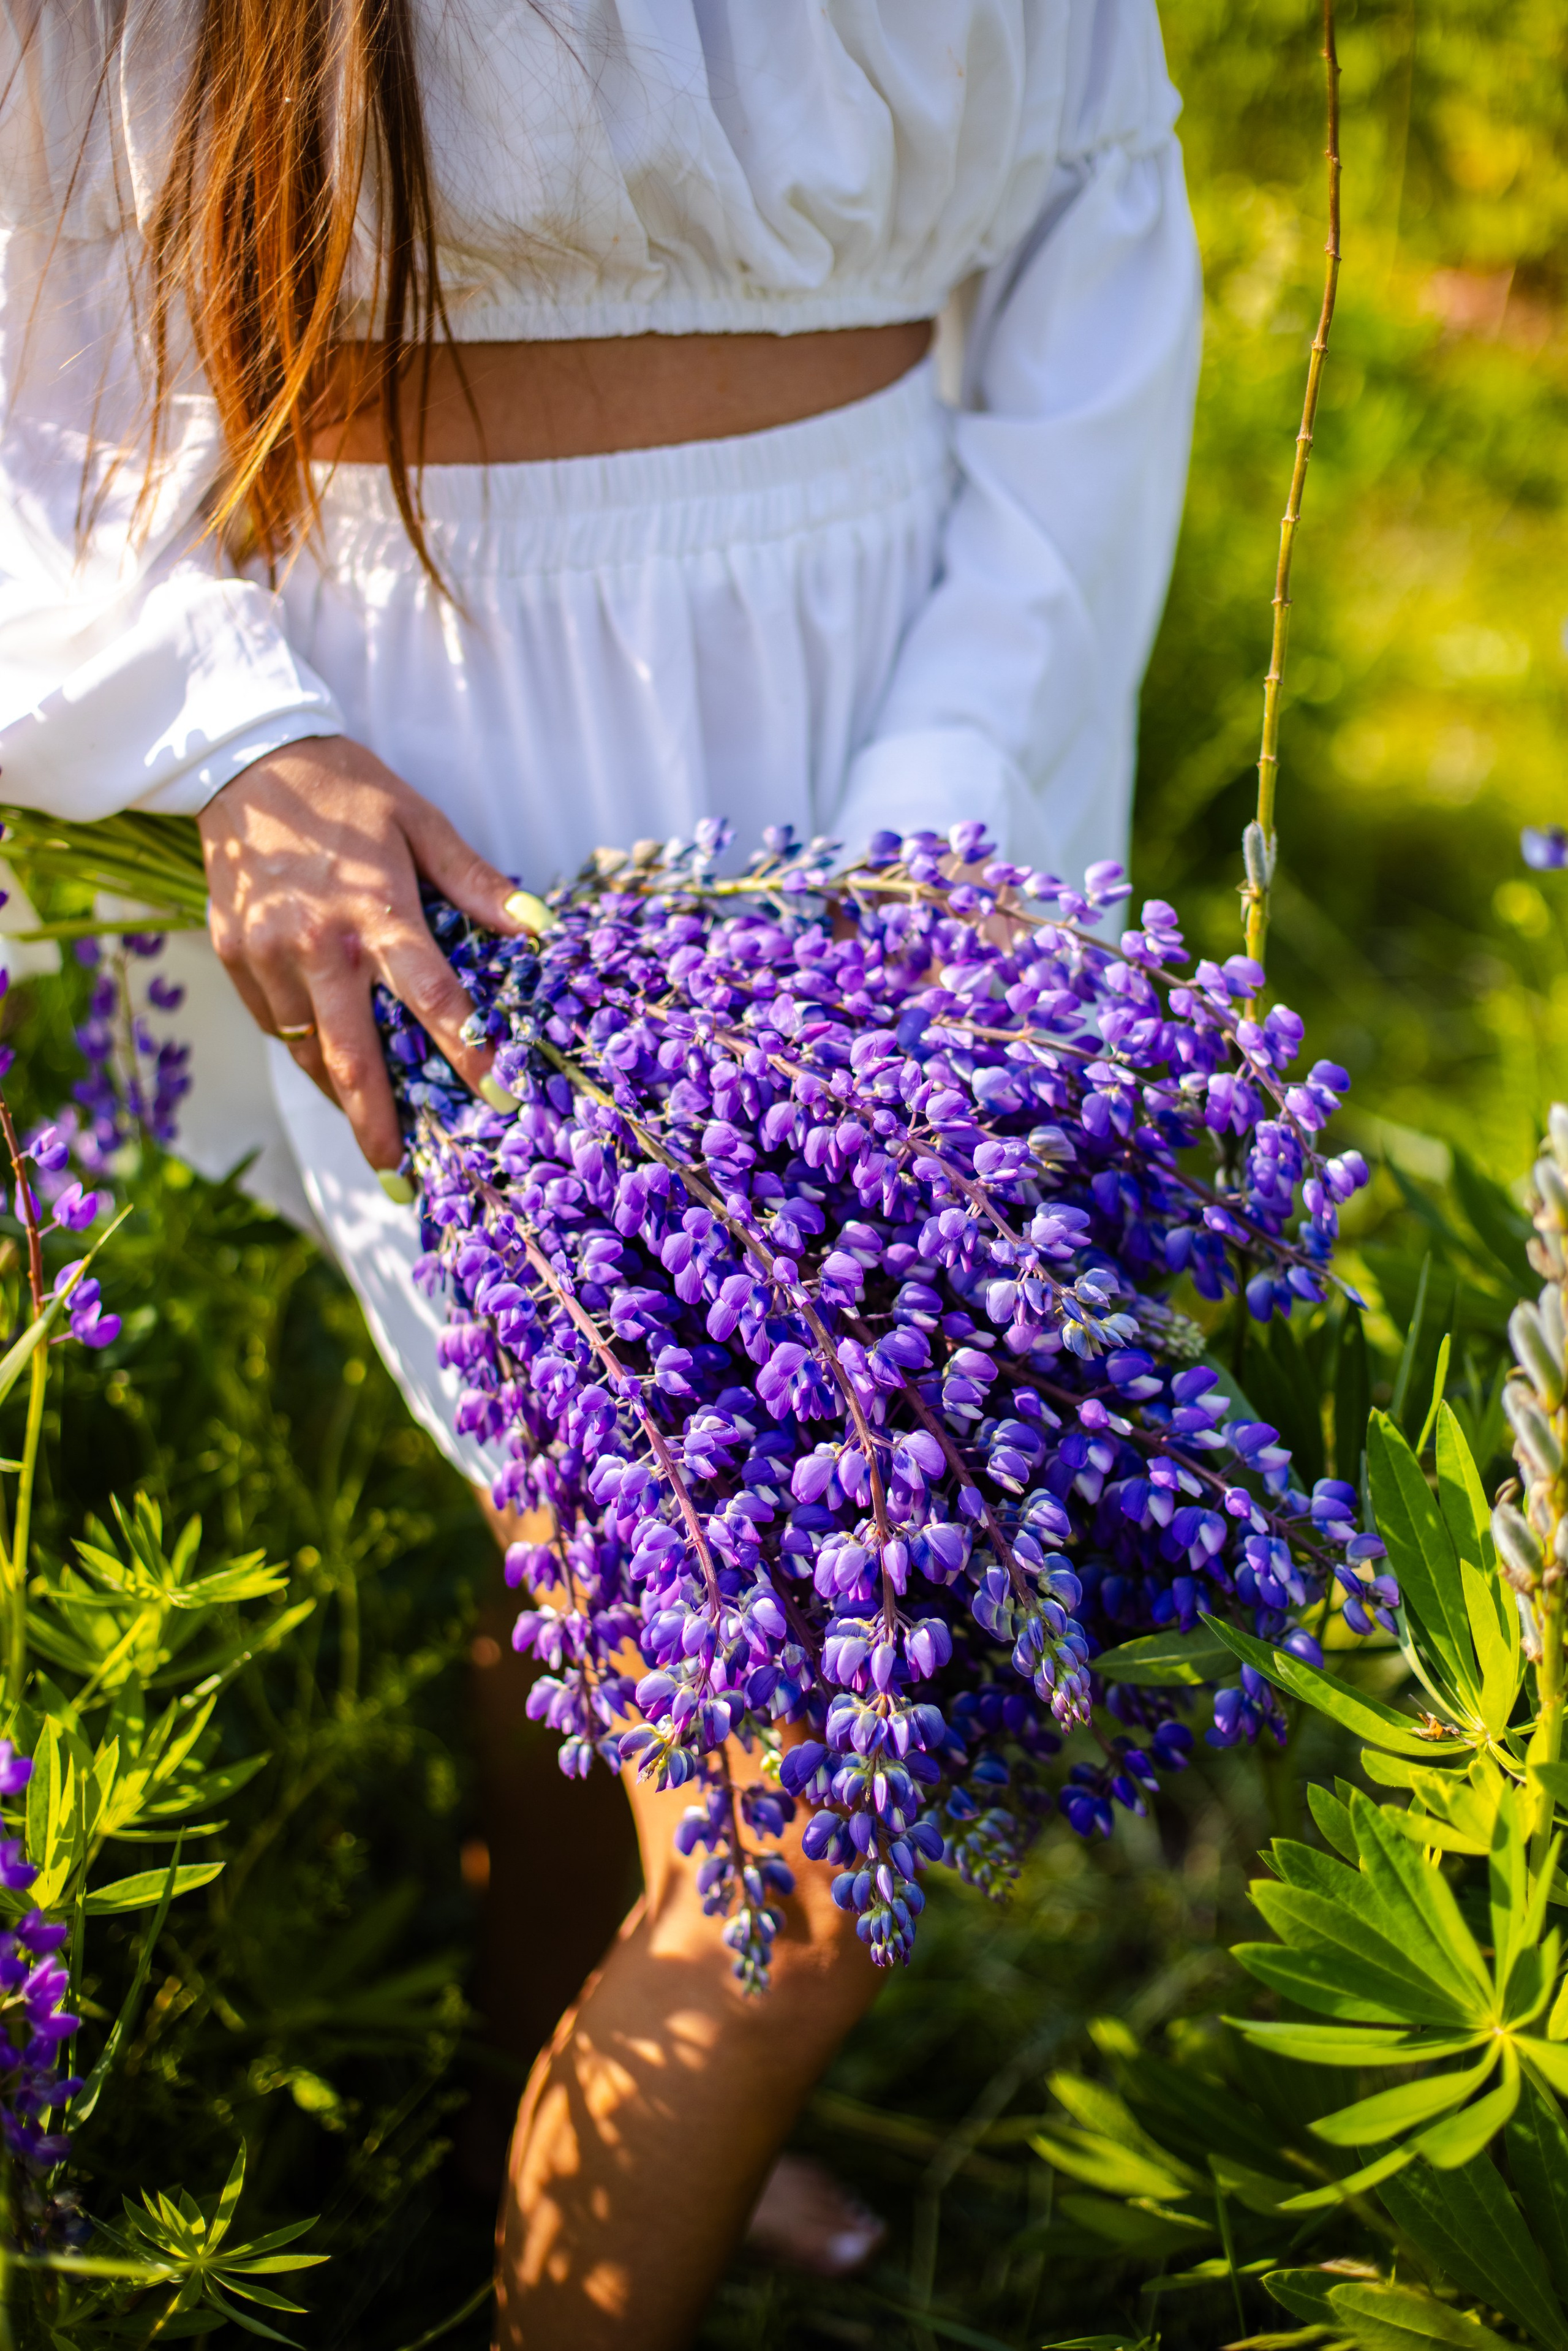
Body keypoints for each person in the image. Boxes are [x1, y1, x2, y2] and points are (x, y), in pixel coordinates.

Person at [0, 2, 1202, 2339]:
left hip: (893, 737)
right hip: (413, 786)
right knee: (799, 1856)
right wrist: (230, 728)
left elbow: (1091, 280)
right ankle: (590, 2197)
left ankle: (554, 2100)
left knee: (627, 1610)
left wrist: (904, 873)